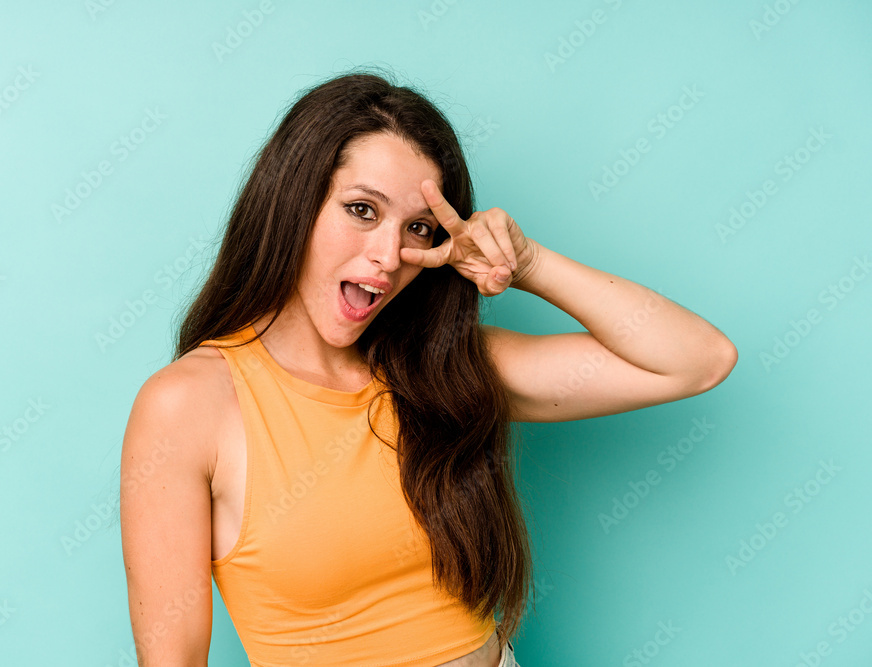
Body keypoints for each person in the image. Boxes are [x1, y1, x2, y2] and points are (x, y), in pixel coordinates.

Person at [119, 69, 737, 667]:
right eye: (362, 210)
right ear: (292, 203)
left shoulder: (445, 370)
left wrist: (527, 263)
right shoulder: (189, 405)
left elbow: (696, 361)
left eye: (416, 228)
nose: (388, 257)